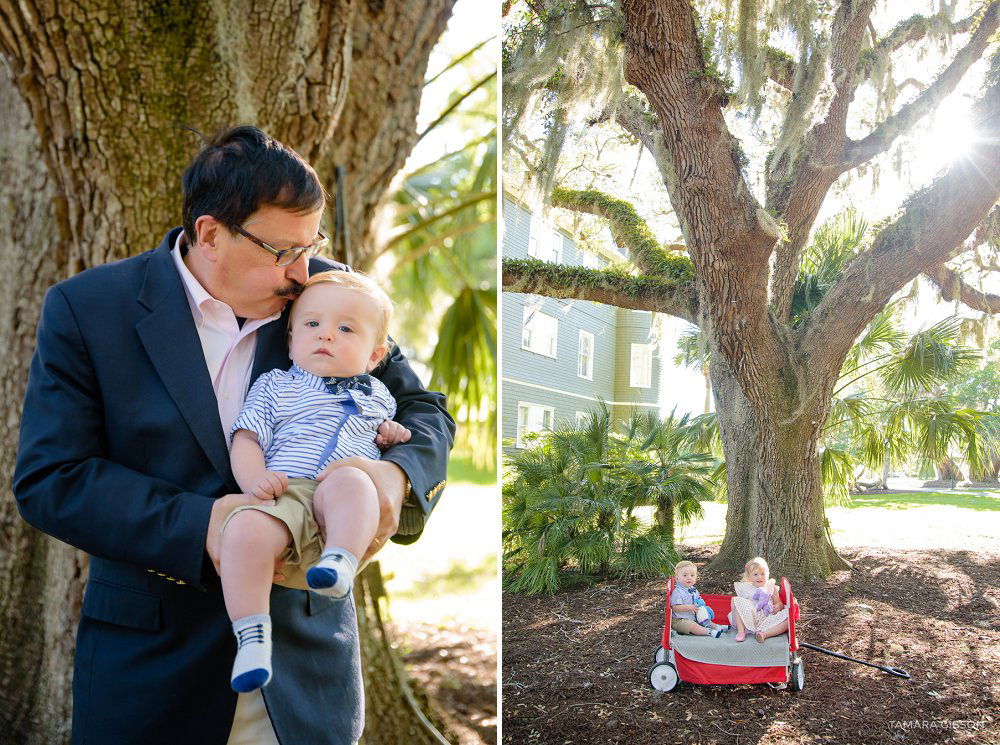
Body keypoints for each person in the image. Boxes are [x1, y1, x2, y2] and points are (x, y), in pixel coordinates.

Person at [12, 125, 455, 745]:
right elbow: (50, 478)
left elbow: (425, 410)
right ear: (211, 234)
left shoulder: (328, 298)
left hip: (307, 672)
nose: (302, 272)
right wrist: (202, 525)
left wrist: (395, 475)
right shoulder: (87, 309)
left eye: (311, 245)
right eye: (282, 251)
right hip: (147, 675)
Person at [223, 269, 410, 692]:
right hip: (285, 489)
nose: (326, 335)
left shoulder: (378, 395)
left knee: (354, 483)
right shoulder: (275, 386)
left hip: (339, 491)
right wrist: (254, 479)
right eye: (311, 325)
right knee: (243, 530)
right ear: (290, 341)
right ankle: (252, 636)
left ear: (373, 356)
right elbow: (247, 437)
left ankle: (340, 560)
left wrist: (392, 434)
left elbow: (385, 433)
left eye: (345, 329)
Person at [728, 556, 789, 643]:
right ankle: (741, 632)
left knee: (788, 617)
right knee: (737, 601)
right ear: (749, 576)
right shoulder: (746, 588)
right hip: (750, 618)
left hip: (767, 618)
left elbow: (778, 603)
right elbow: (741, 607)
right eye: (755, 574)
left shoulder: (770, 586)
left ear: (767, 574)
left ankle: (764, 634)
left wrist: (779, 606)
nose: (759, 577)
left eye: (762, 574)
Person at [669, 560, 728, 638]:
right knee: (692, 626)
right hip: (679, 620)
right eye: (685, 575)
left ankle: (717, 627)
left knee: (705, 619)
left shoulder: (693, 590)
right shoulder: (678, 592)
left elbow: (698, 600)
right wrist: (689, 607)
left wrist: (701, 606)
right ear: (677, 578)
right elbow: (675, 607)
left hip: (693, 616)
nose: (689, 578)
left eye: (692, 575)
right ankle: (708, 632)